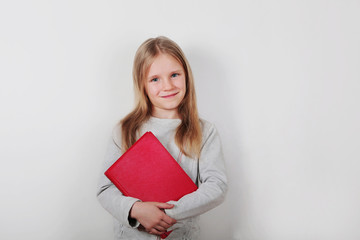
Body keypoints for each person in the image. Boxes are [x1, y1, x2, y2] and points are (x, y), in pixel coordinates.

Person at [97, 36, 228, 240]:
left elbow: (216, 186)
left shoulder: (204, 131)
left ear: (186, 76)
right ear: (143, 85)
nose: (167, 86)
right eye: (155, 79)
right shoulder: (125, 130)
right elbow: (105, 190)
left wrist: (165, 213)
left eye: (174, 75)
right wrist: (137, 209)